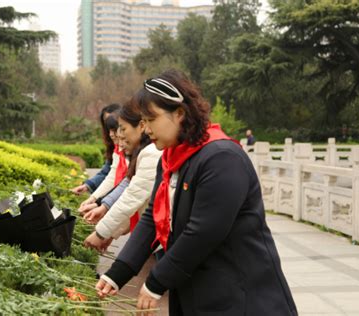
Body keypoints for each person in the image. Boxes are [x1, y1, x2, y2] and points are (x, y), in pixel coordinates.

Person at [96, 69, 297, 316]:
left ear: (179, 113)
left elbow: (203, 232)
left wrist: (156, 282)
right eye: (144, 122)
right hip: (198, 292)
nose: (146, 129)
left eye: (151, 119)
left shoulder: (221, 158)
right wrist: (118, 273)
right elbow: (153, 218)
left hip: (240, 295)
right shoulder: (170, 159)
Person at [84, 101, 162, 252]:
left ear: (141, 126)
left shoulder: (151, 153)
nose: (118, 135)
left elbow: (132, 197)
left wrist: (101, 233)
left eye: (123, 129)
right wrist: (110, 231)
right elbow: (127, 186)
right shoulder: (141, 152)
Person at [71, 103, 121, 195]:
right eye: (107, 123)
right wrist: (87, 186)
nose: (111, 132)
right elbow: (108, 173)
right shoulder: (114, 148)